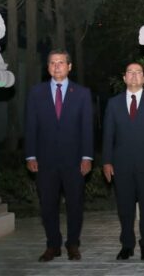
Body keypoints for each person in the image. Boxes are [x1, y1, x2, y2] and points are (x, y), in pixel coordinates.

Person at [25, 49, 93, 262]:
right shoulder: (36, 93)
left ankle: (73, 244)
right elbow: (31, 127)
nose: (57, 66)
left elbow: (87, 128)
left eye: (61, 62)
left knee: (74, 204)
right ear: (48, 68)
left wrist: (87, 157)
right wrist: (30, 156)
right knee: (47, 205)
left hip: (74, 161)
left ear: (69, 66)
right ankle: (52, 245)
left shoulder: (82, 93)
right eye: (52, 63)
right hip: (45, 161)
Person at [102, 62, 144, 261]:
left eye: (138, 72)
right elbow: (108, 135)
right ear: (124, 78)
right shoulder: (113, 103)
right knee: (124, 208)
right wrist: (106, 161)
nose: (133, 76)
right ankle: (127, 245)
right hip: (121, 166)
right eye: (129, 72)